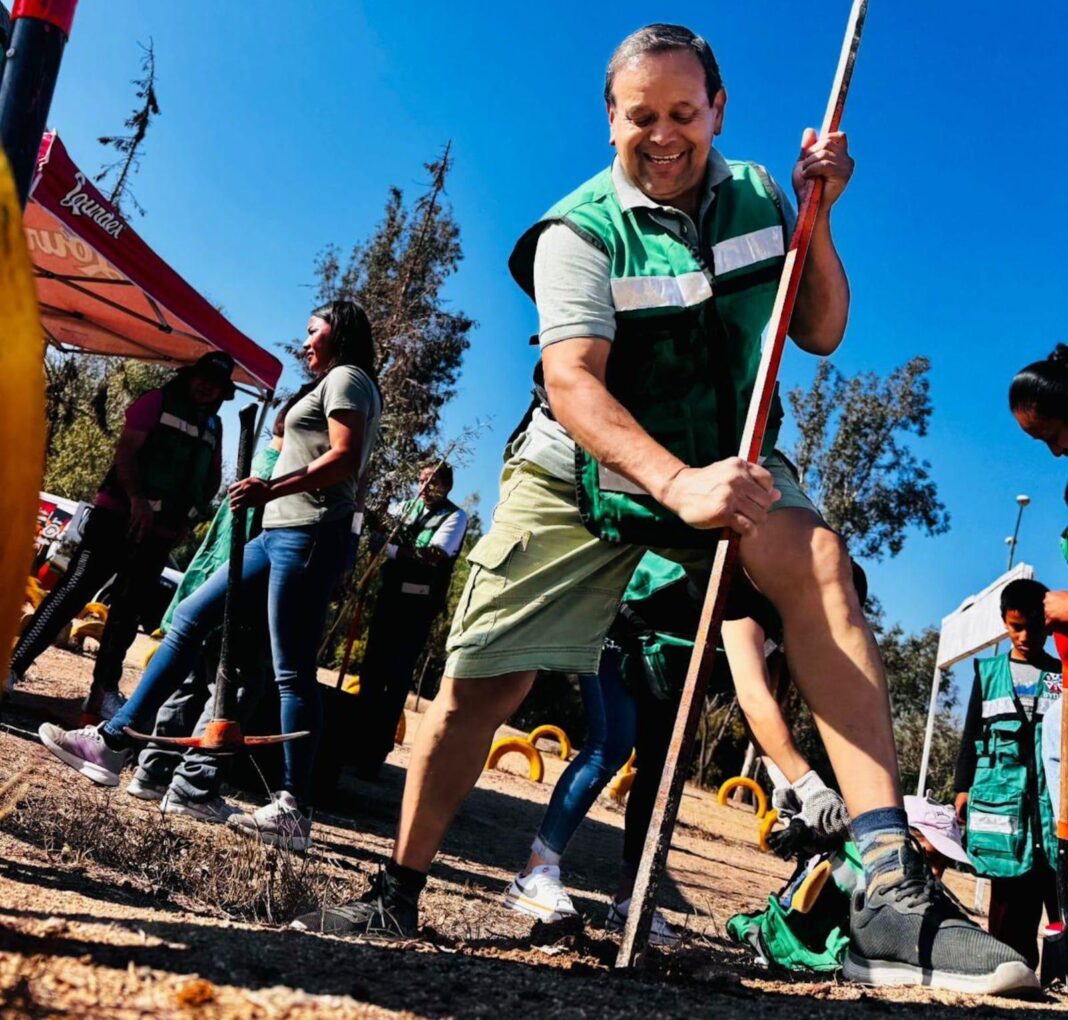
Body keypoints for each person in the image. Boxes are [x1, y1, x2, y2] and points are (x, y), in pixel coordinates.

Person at [296, 26, 1035, 995]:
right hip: (582, 473)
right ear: (611, 119)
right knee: (485, 687)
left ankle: (890, 891)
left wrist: (823, 216)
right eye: (640, 117)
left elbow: (817, 331)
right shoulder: (577, 231)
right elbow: (572, 382)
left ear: (718, 112)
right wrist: (675, 484)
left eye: (683, 114)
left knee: (818, 562)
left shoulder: (766, 194)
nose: (663, 136)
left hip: (731, 457)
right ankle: (398, 886)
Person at [37, 299, 382, 851]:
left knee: (290, 672)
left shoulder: (348, 379)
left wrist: (272, 487)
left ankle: (294, 808)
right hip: (276, 532)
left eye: (312, 330)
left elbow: (345, 457)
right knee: (191, 617)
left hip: (309, 534)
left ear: (338, 332)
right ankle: (113, 741)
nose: (305, 341)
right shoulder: (333, 381)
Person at [502, 552, 849, 947]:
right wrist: (813, 789)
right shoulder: (757, 602)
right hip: (616, 617)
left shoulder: (782, 642)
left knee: (660, 771)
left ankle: (629, 901)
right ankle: (536, 872)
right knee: (611, 744)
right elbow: (754, 702)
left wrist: (785, 789)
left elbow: (766, 720)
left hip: (661, 659)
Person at [8, 352, 233, 721]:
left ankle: (102, 693)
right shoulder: (155, 401)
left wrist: (185, 523)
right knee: (74, 590)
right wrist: (137, 501)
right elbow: (126, 453)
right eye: (203, 378)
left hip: (161, 532)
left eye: (217, 384)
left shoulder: (214, 426)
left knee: (127, 613)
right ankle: (14, 667)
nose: (207, 387)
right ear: (191, 376)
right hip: (116, 516)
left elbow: (209, 480)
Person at [123, 411, 287, 823]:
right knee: (236, 686)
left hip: (208, 589)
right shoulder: (277, 482)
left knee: (195, 680)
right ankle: (192, 787)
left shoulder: (261, 466)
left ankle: (154, 771)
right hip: (239, 599)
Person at [954, 578, 1062, 970]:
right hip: (1003, 803)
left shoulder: (1061, 674)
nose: (1026, 635)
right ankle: (1004, 963)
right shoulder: (988, 672)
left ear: (1049, 624)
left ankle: (1052, 969)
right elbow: (971, 735)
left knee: (1050, 881)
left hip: (1050, 807)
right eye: (1016, 626)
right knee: (1007, 884)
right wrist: (962, 787)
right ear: (1004, 623)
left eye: (1035, 626)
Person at [352, 462, 469, 777]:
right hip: (388, 598)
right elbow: (377, 528)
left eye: (431, 480)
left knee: (397, 676)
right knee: (371, 672)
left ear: (445, 485)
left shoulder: (455, 517)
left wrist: (392, 550)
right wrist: (384, 499)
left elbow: (434, 555)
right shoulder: (406, 507)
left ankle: (375, 751)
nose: (424, 486)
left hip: (417, 607)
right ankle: (355, 742)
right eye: (420, 479)